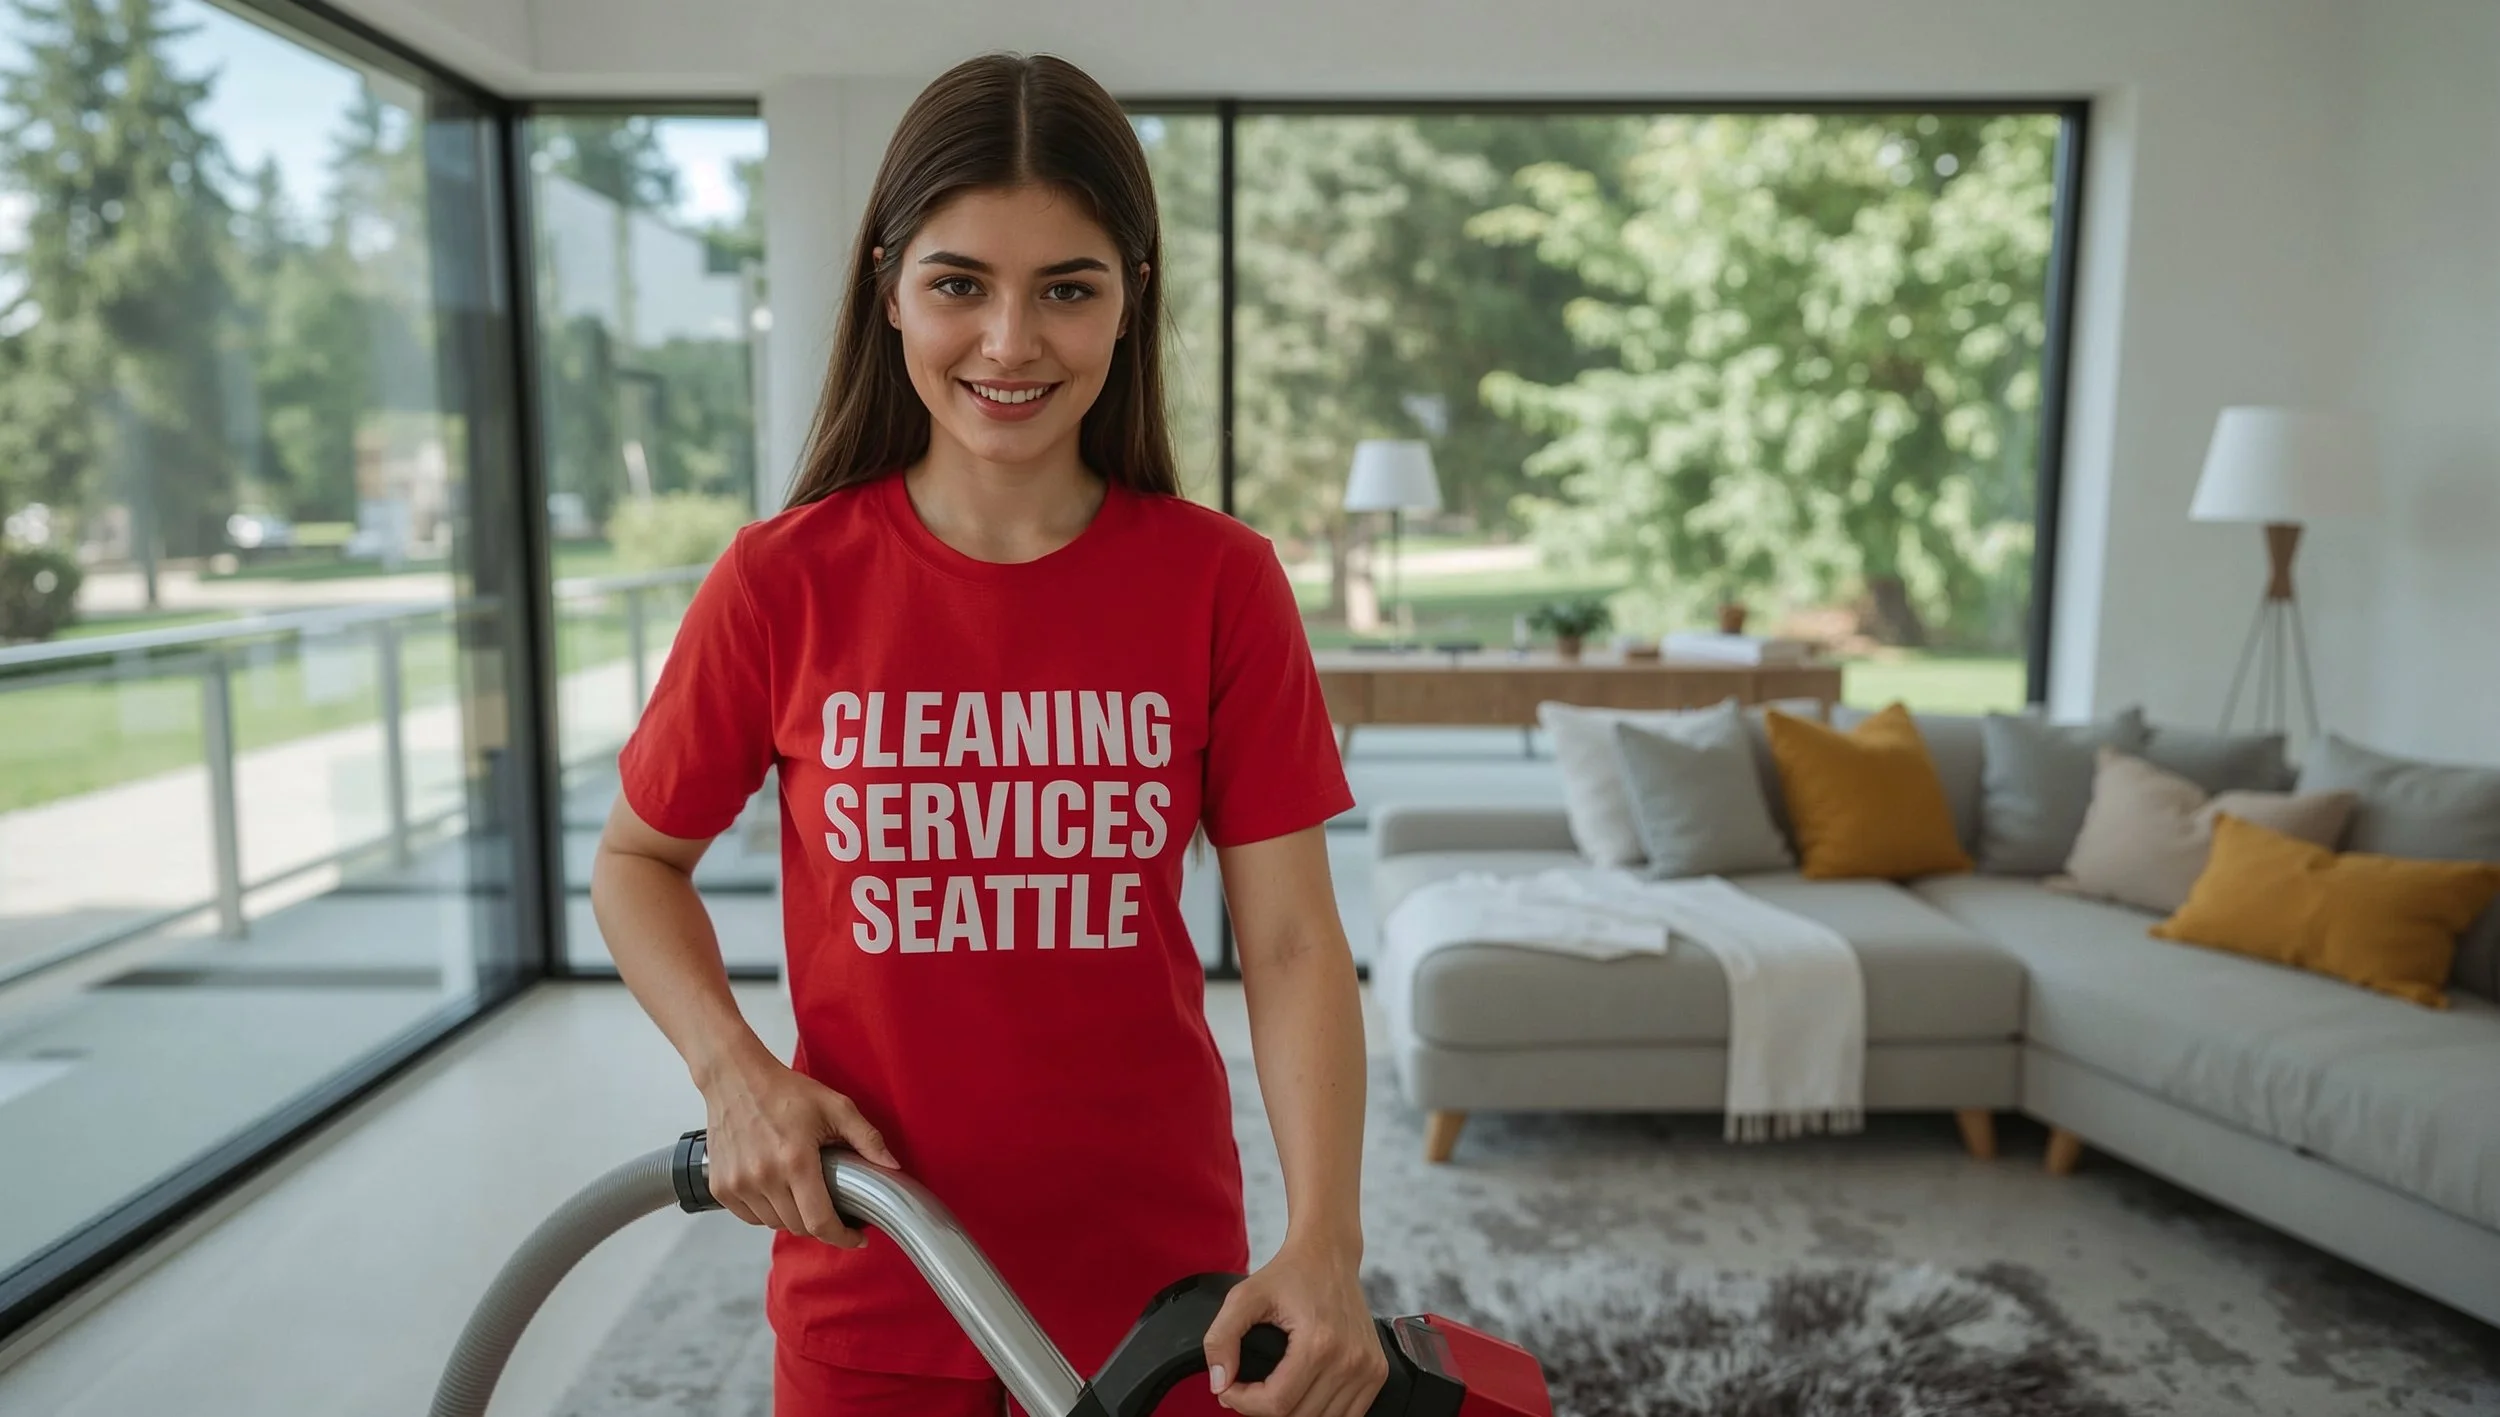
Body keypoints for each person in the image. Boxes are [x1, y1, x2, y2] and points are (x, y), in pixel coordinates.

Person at [589, 51, 1387, 1417]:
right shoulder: (782, 581)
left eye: (1066, 288)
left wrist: (1325, 1240)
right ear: (889, 287)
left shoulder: (1219, 581)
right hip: (875, 1268)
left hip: (1162, 1305)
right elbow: (635, 862)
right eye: (961, 283)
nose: (1010, 344)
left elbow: (1298, 942)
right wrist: (739, 1075)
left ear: (1130, 300)